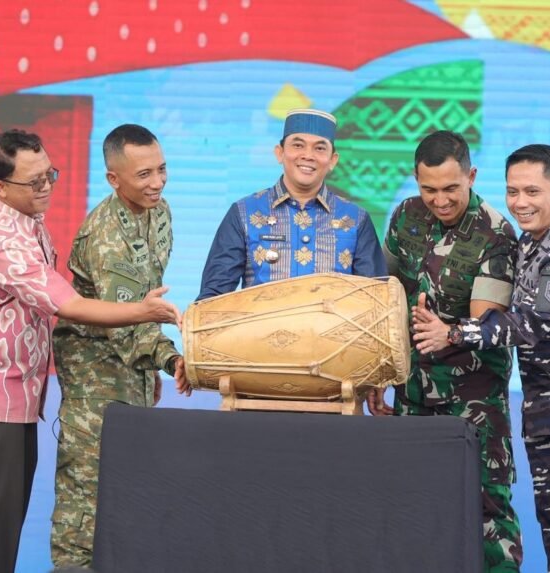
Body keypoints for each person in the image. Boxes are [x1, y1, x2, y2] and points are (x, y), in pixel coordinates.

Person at [0, 129, 181, 573]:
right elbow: (69, 304)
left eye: (50, 174)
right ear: (0, 187)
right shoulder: (3, 239)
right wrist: (145, 315)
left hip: (14, 395)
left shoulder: (25, 215)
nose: (46, 187)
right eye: (34, 181)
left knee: (4, 524)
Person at [412, 144, 550, 573]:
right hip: (545, 406)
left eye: (532, 191)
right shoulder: (531, 243)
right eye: (512, 191)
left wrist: (452, 333)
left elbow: (532, 325)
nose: (520, 203)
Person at [366, 131, 523, 572]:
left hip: (473, 400)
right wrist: (377, 373)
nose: (440, 200)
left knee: (487, 509)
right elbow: (383, 297)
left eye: (451, 188)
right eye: (429, 189)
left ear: (471, 176)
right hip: (411, 393)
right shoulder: (406, 216)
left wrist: (447, 333)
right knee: (409, 504)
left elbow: (487, 323)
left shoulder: (495, 234)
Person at [49, 124, 187, 567]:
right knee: (85, 503)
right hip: (96, 380)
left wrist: (146, 370)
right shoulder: (106, 237)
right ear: (114, 179)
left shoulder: (159, 211)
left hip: (130, 369)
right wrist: (168, 358)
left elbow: (145, 296)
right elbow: (127, 321)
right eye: (144, 174)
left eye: (162, 169)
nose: (157, 182)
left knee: (128, 495)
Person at [197, 108, 386, 299]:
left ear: (333, 160)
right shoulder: (244, 213)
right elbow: (213, 297)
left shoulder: (355, 219)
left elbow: (376, 299)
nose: (308, 155)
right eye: (298, 145)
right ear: (279, 153)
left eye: (320, 148)